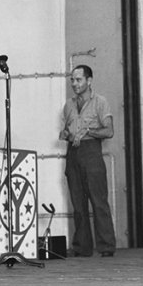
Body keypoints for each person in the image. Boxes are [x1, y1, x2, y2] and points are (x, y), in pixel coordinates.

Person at [60, 64, 117, 258]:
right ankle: (82, 247)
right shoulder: (68, 105)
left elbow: (109, 131)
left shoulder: (100, 102)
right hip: (73, 154)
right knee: (78, 202)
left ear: (89, 81)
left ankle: (106, 246)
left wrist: (88, 131)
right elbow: (68, 130)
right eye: (72, 80)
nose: (74, 84)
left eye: (78, 80)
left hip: (92, 151)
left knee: (98, 201)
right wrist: (66, 133)